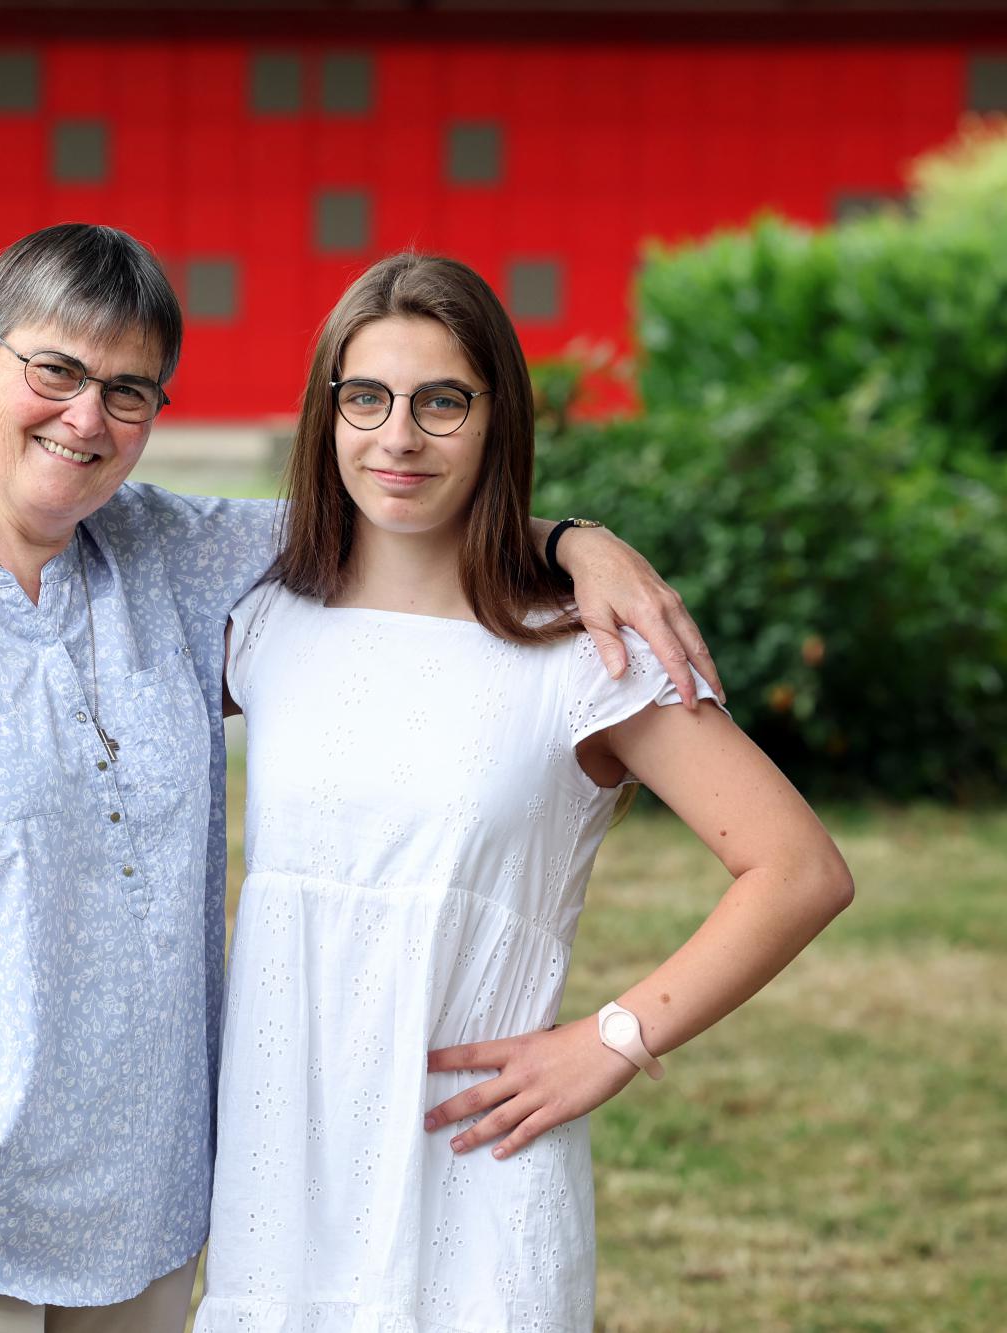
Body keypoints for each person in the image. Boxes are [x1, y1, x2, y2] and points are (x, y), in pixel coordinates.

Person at [0, 224, 709, 1333]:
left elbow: (403, 511)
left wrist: (571, 541)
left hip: (139, 1218)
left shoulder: (169, 557)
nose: (85, 418)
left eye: (127, 391)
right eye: (52, 370)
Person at [191, 254, 853, 1330]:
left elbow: (798, 869)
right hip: (280, 1167)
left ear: (497, 418)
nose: (396, 437)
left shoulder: (580, 649)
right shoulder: (263, 621)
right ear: (327, 414)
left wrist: (610, 1040)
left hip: (474, 1167)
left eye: (439, 402)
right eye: (365, 397)